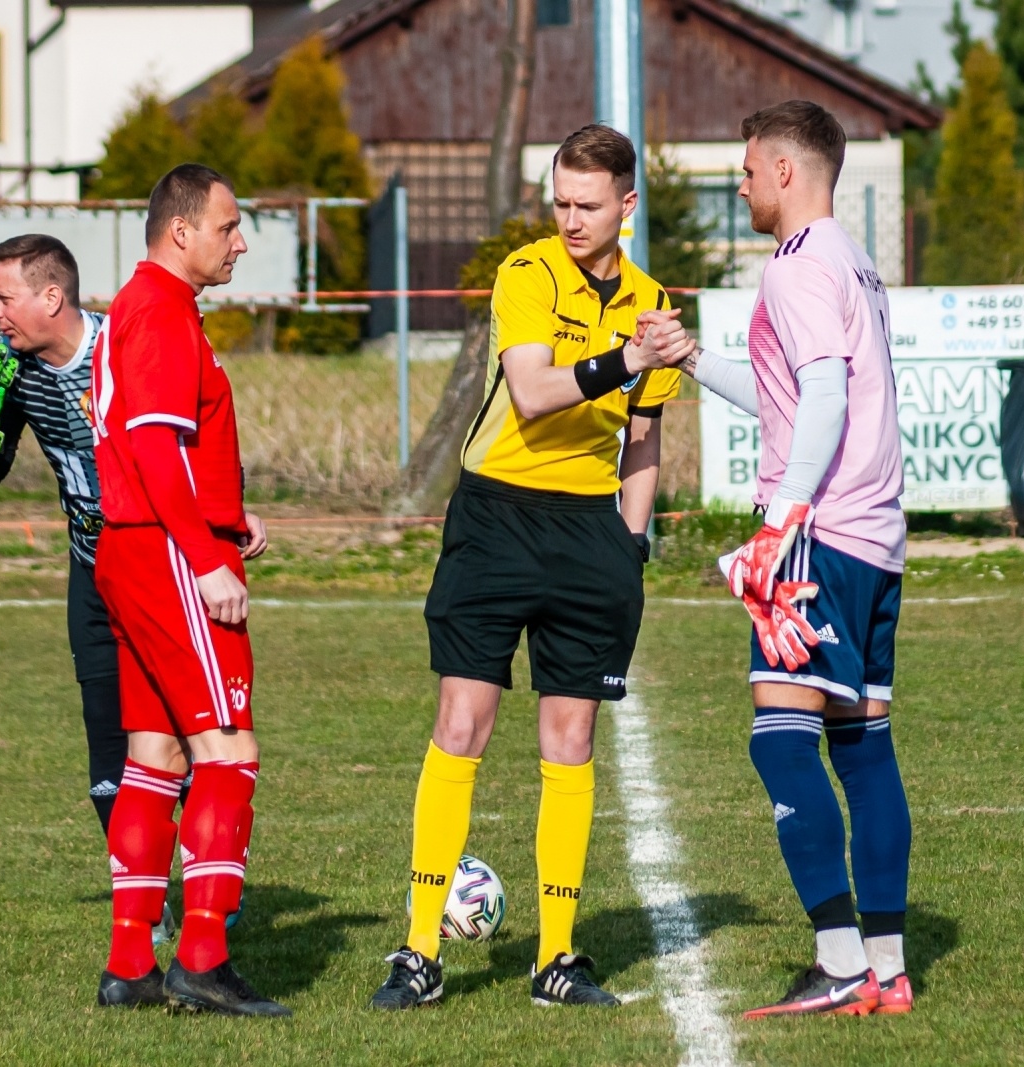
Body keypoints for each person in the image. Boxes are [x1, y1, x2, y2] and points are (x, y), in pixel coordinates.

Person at [370, 124, 695, 1011]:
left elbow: (644, 436)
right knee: (461, 721)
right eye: (560, 202)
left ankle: (556, 957)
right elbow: (533, 391)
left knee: (571, 739)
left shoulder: (653, 300)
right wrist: (629, 356)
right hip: (496, 519)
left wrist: (631, 544)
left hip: (591, 533)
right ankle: (418, 950)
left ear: (628, 205)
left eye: (589, 205)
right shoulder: (527, 273)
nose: (571, 219)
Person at [681, 100, 912, 1017]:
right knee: (862, 748)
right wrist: (691, 358)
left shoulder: (796, 264)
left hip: (820, 535)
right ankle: (888, 969)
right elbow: (792, 395)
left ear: (784, 170)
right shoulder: (851, 259)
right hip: (876, 537)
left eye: (746, 171)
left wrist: (780, 522)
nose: (740, 186)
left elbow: (823, 399)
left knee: (780, 742)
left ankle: (841, 962)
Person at [88, 163, 281, 1016]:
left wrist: (228, 515)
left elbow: (165, 448)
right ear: (181, 231)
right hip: (167, 554)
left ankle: (130, 962)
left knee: (156, 753)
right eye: (228, 226)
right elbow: (156, 450)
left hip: (134, 549)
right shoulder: (162, 310)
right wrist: (206, 554)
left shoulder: (140, 306)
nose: (239, 243)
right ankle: (202, 958)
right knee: (227, 750)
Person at [0, 234, 136, 836]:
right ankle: (140, 891)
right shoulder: (11, 365)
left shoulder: (127, 347)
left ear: (52, 297)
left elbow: (203, 438)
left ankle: (210, 879)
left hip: (156, 566)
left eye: (3, 298)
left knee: (182, 739)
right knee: (107, 750)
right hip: (90, 567)